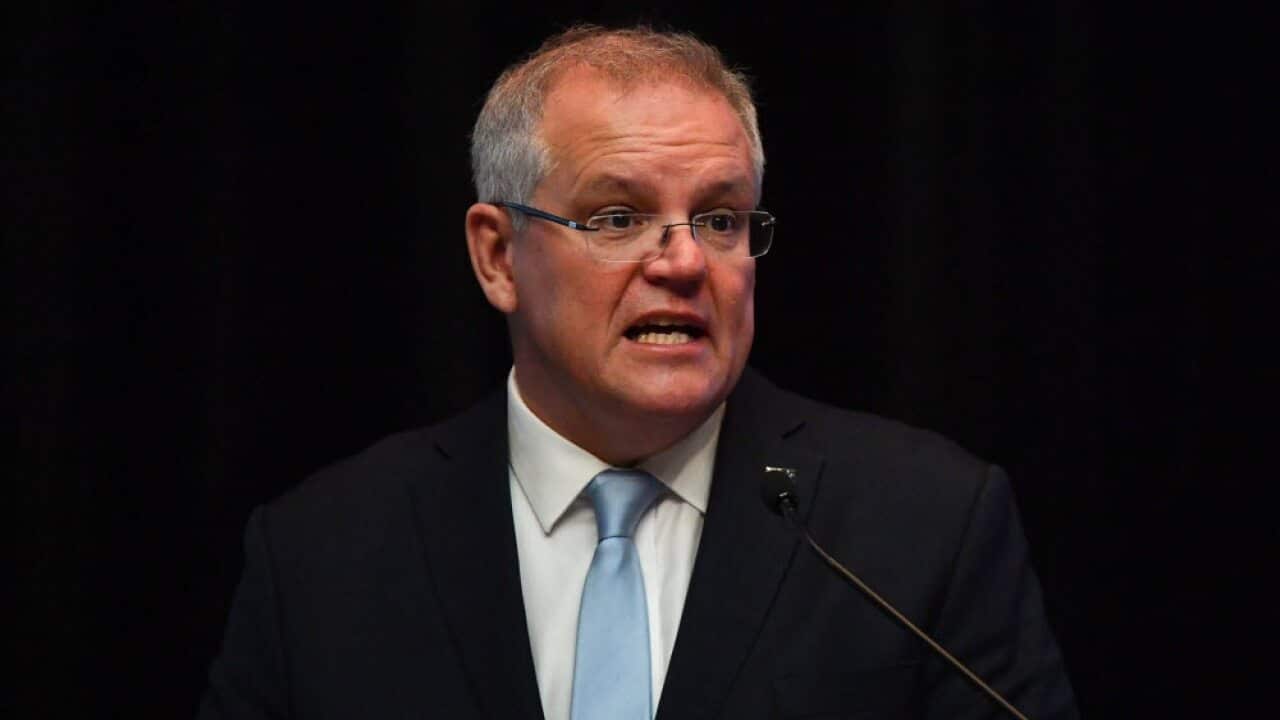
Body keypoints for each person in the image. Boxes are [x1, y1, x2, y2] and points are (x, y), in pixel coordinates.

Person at [199, 25, 1079, 720]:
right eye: (618, 216)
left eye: (722, 219)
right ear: (498, 256)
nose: (687, 262)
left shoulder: (922, 526)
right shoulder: (323, 554)